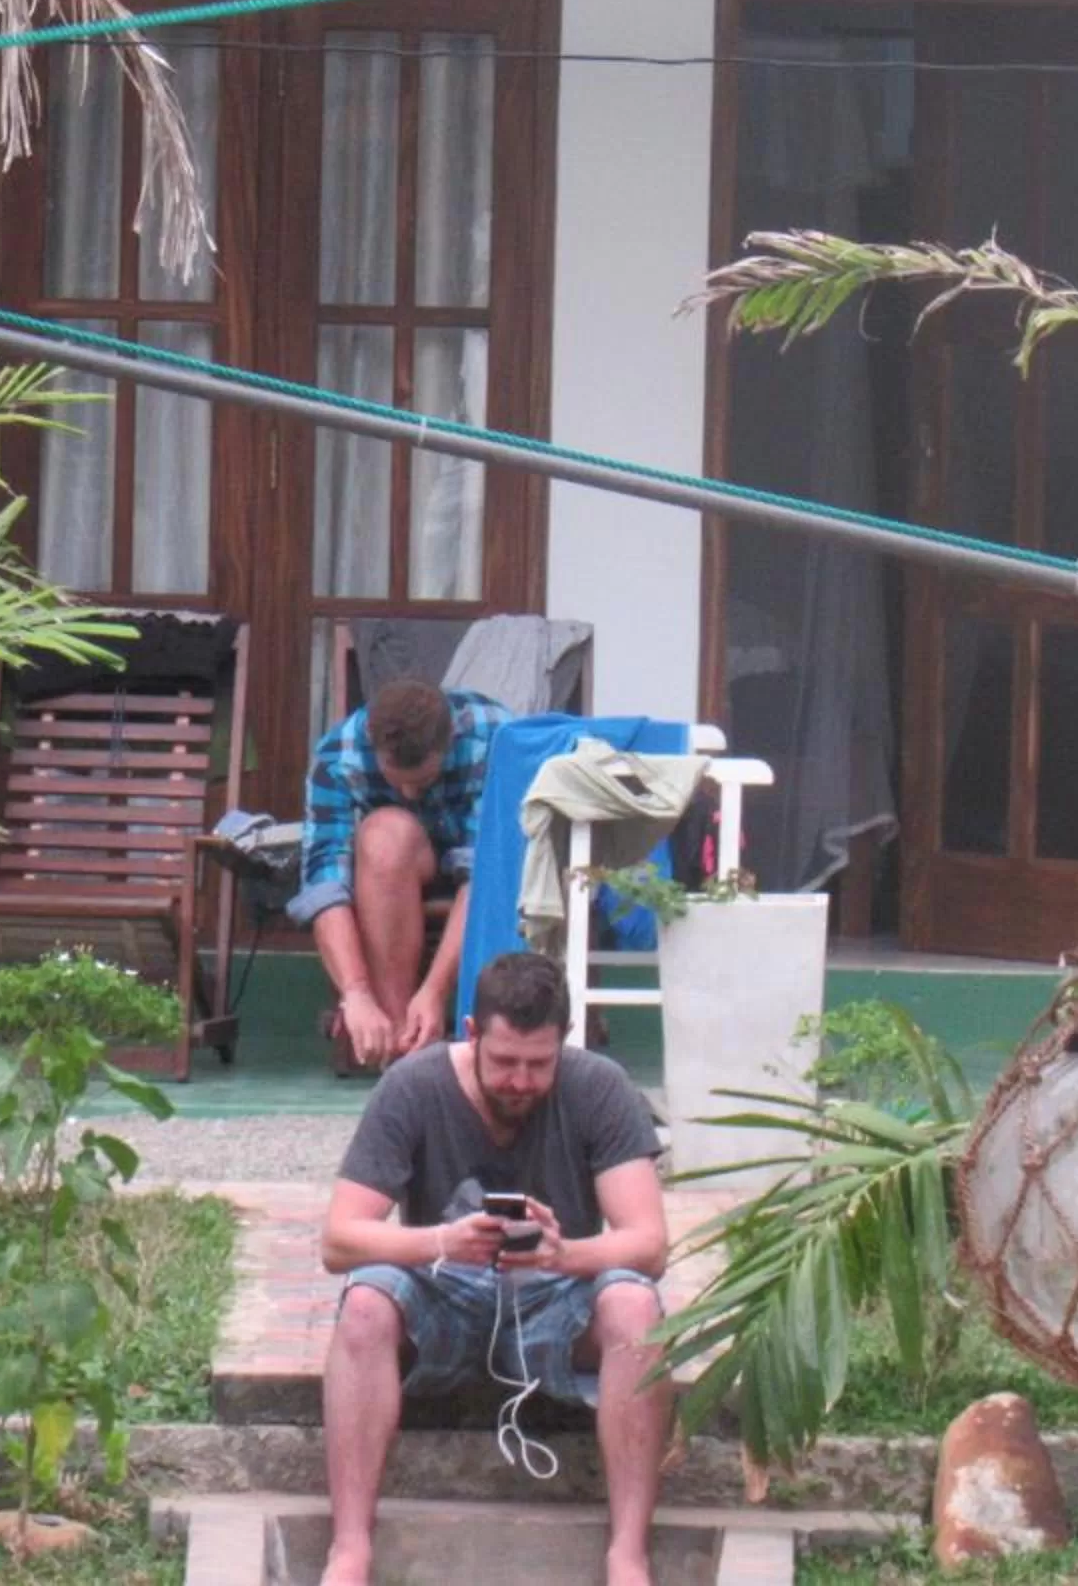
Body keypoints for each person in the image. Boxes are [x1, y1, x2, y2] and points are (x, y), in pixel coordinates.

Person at [316, 952, 670, 1586]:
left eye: (539, 1064)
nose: (520, 1081)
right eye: (505, 1062)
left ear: (563, 1043)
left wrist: (567, 1255)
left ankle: (628, 1554)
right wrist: (441, 1241)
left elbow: (649, 1245)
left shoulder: (599, 1087)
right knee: (365, 1302)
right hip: (443, 1292)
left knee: (636, 1308)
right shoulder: (414, 1086)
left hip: (558, 1300)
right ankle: (349, 1548)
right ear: (472, 1033)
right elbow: (339, 1241)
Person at [291, 677, 509, 1067]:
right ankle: (403, 1049)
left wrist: (435, 991)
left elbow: (487, 875)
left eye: (422, 781)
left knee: (487, 869)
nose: (410, 794)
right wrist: (355, 993)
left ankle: (443, 1030)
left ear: (449, 744)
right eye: (397, 781)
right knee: (383, 834)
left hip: (488, 876)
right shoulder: (338, 754)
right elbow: (323, 884)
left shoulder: (494, 737)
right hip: (399, 871)